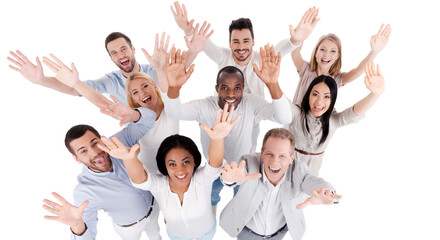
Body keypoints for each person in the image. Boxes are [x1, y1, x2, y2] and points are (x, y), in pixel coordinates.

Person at [163, 45, 292, 209]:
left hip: (242, 169)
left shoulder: (251, 102)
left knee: (242, 205)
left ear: (243, 89)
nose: (231, 94)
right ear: (217, 88)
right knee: (209, 200)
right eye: (224, 88)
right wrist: (174, 87)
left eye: (237, 88)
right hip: (213, 169)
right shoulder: (205, 106)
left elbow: (284, 117)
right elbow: (174, 113)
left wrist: (273, 84)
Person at [103, 103, 239, 240]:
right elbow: (140, 180)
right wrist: (129, 159)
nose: (180, 169)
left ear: (194, 162)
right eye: (172, 164)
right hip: (176, 236)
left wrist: (217, 139)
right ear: (165, 166)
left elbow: (214, 165)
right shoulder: (160, 185)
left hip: (206, 233)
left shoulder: (202, 179)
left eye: (186, 162)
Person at [42, 109, 162, 239]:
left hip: (154, 207)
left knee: (156, 235)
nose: (94, 153)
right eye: (83, 151)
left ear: (101, 139)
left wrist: (135, 114)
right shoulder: (85, 191)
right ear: (77, 159)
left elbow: (149, 119)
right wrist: (77, 225)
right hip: (129, 229)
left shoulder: (118, 142)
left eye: (95, 143)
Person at [171, 1, 313, 99]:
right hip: (223, 114)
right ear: (230, 44)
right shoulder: (222, 56)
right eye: (236, 42)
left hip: (252, 120)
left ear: (253, 43)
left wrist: (296, 39)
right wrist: (188, 29)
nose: (240, 47)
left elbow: (283, 48)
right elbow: (202, 42)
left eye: (246, 41)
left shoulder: (261, 59)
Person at [219, 128, 342, 240]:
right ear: (262, 153)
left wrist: (327, 192)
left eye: (282, 156)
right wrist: (229, 179)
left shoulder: (299, 170)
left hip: (278, 234)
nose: (274, 162)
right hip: (247, 232)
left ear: (291, 158)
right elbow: (234, 176)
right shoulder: (248, 162)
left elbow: (314, 181)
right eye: (269, 154)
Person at [7, 32, 171, 105]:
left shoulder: (155, 69)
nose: (120, 55)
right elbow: (77, 90)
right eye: (114, 53)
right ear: (111, 58)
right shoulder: (111, 81)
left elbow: (181, 70)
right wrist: (42, 80)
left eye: (123, 49)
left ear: (132, 49)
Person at [287, 62, 385, 176]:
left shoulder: (332, 121)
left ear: (332, 100)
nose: (319, 101)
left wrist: (375, 94)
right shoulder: (297, 113)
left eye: (327, 97)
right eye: (315, 94)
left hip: (310, 180)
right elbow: (281, 102)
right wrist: (272, 82)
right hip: (284, 173)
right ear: (308, 95)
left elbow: (353, 114)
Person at [289, 7, 391, 105]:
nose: (326, 54)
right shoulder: (306, 70)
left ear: (338, 56)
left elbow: (358, 71)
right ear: (316, 52)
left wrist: (374, 51)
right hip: (295, 122)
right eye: (322, 49)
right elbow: (295, 54)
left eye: (332, 51)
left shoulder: (337, 79)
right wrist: (299, 39)